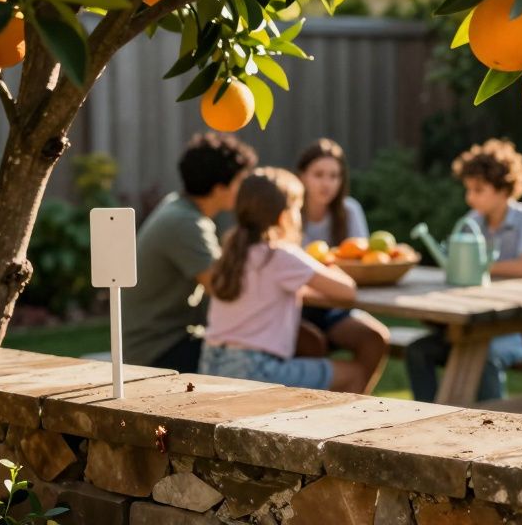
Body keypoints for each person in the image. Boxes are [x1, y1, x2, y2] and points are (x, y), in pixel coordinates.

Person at [198, 167, 374, 392]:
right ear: (284, 216)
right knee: (353, 374)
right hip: (256, 369)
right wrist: (330, 265)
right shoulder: (280, 254)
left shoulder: (233, 251)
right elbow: (347, 291)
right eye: (297, 209)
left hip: (211, 363)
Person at [406, 138, 522, 402]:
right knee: (418, 351)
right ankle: (427, 425)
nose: (469, 197)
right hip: (477, 323)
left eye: (478, 189)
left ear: (503, 189)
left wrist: (472, 265)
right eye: (468, 189)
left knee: (484, 357)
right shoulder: (473, 221)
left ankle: (494, 433)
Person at [125, 133, 257, 373]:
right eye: (240, 181)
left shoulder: (178, 206)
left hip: (166, 339)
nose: (244, 189)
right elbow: (225, 289)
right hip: (156, 352)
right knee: (259, 361)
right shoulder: (185, 223)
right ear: (219, 188)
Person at [293, 138, 389, 393]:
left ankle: (354, 405)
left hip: (337, 306)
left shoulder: (349, 211)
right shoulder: (290, 213)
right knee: (311, 343)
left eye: (334, 176)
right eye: (319, 175)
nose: (327, 183)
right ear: (302, 176)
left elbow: (362, 261)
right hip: (297, 308)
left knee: (375, 338)